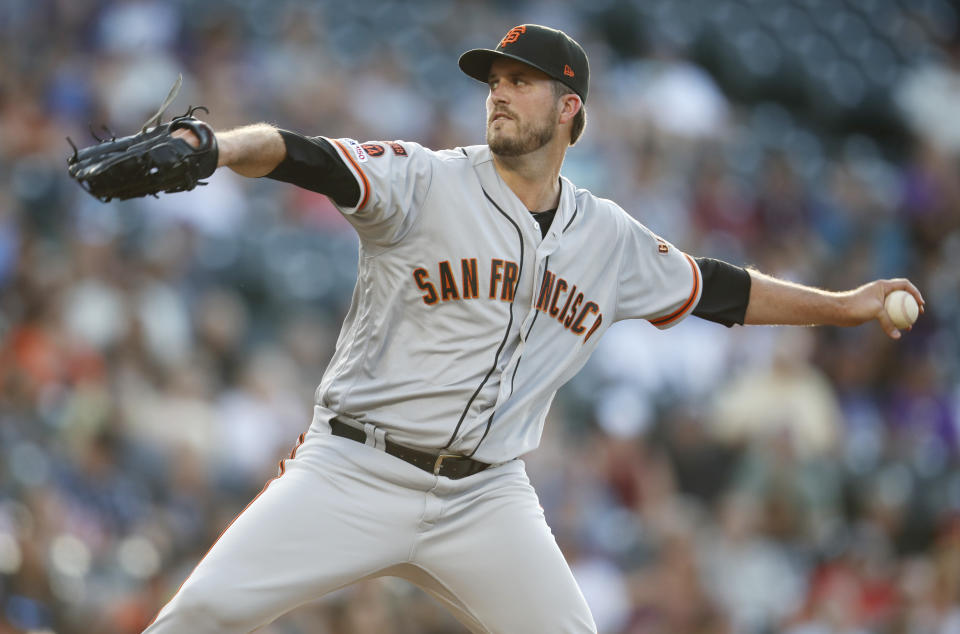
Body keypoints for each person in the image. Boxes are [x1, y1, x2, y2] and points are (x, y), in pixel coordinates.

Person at [145, 24, 924, 633]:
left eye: (522, 82)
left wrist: (844, 303)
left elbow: (722, 290)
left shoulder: (607, 237)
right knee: (202, 617)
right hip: (354, 468)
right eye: (495, 81)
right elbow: (299, 153)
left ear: (569, 107)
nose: (500, 93)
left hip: (486, 500)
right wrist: (209, 146)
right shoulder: (424, 180)